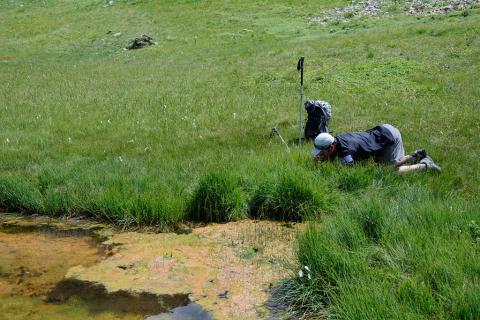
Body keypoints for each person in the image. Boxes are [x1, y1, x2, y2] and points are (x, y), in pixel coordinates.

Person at [310, 124, 441, 173]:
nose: (319, 156)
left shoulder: (346, 153)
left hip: (389, 138)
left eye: (321, 153)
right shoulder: (337, 140)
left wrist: (324, 166)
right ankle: (416, 155)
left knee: (389, 171)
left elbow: (350, 172)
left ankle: (425, 165)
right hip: (382, 131)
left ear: (331, 147)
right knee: (380, 165)